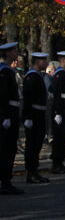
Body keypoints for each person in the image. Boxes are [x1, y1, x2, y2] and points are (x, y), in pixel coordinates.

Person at [22, 52, 50, 184]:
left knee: (37, 144)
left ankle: (34, 171)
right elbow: (27, 97)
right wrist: (27, 117)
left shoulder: (37, 76)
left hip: (39, 114)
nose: (46, 63)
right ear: (37, 61)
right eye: (44, 60)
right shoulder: (31, 76)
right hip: (33, 114)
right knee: (32, 145)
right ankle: (31, 172)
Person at [0, 42, 24, 194]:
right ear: (7, 53)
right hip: (7, 114)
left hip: (11, 113)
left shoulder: (8, 70)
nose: (17, 53)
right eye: (14, 51)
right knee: (6, 149)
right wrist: (5, 116)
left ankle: (6, 180)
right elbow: (2, 95)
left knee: (10, 148)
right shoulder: (4, 71)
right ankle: (5, 181)